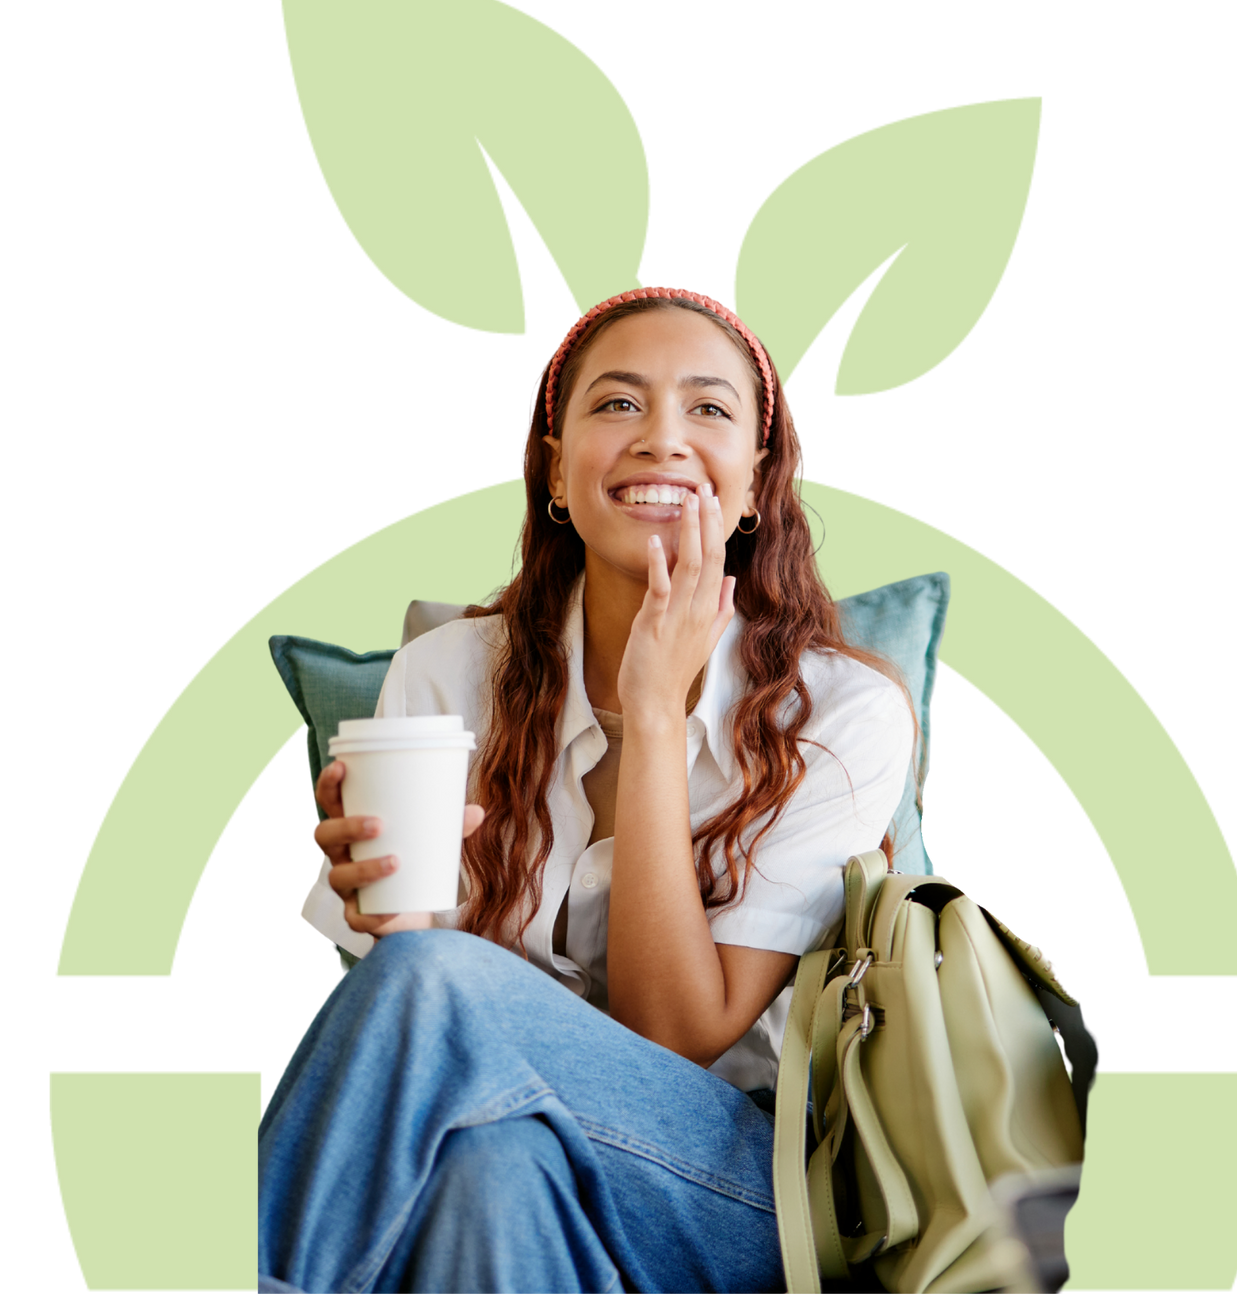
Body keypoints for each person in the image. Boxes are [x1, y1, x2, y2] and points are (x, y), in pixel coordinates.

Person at [259, 287, 925, 1294]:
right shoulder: (447, 675)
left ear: (754, 482)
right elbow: (431, 1037)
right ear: (557, 470)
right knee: (489, 1172)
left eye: (707, 408)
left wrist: (654, 709)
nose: (660, 437)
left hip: (743, 1190)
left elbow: (675, 1035)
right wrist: (402, 919)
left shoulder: (840, 714)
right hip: (509, 1127)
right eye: (617, 404)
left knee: (435, 982)